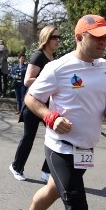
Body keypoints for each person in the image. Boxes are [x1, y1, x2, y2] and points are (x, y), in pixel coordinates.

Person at [14, 14, 106, 210]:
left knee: (53, 189)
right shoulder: (58, 68)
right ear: (79, 37)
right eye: (96, 37)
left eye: (105, 36)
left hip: (86, 148)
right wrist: (50, 117)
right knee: (76, 204)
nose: (103, 42)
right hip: (60, 148)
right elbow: (31, 98)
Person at [9, 25, 62, 182]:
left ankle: (47, 171)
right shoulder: (38, 56)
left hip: (47, 106)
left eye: (59, 37)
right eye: (55, 37)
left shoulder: (54, 58)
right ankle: (16, 167)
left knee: (56, 137)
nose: (58, 40)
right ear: (46, 38)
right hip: (33, 104)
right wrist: (48, 81)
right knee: (28, 138)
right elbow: (27, 81)